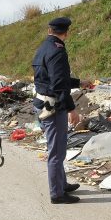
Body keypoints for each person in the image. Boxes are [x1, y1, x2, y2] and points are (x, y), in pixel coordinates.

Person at [32, 17, 89, 204]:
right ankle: (57, 194)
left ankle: (62, 184)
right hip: (53, 108)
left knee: (57, 148)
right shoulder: (58, 52)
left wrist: (79, 82)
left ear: (50, 31)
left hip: (41, 103)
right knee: (56, 152)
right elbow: (59, 85)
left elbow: (55, 78)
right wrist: (71, 109)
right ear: (66, 33)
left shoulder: (42, 49)